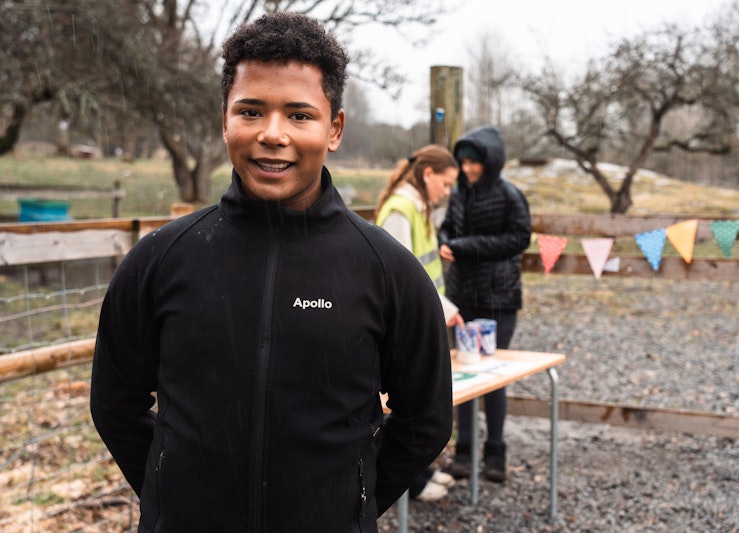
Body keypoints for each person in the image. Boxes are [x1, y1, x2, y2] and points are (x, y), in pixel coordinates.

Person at [90, 11, 452, 532]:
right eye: (251, 111)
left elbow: (426, 418)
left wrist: (351, 502)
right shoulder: (161, 259)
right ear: (225, 120)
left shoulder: (386, 270)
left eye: (299, 115)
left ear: (335, 128)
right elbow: (114, 405)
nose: (272, 134)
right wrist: (172, 493)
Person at [438, 125, 532, 483]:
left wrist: (465, 247)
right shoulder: (459, 193)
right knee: (463, 374)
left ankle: (495, 453)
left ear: (490, 162)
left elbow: (519, 238)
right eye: (463, 162)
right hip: (462, 296)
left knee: (493, 376)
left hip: (499, 298)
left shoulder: (510, 196)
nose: (467, 169)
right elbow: (447, 227)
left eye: (474, 163)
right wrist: (446, 240)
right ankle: (463, 453)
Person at [374, 144, 464, 501]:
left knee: (421, 399)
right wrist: (442, 308)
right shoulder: (401, 210)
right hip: (405, 324)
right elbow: (403, 279)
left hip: (424, 319)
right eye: (445, 183)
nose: (447, 192)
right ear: (428, 174)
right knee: (410, 403)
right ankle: (410, 482)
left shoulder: (419, 207)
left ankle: (421, 472)